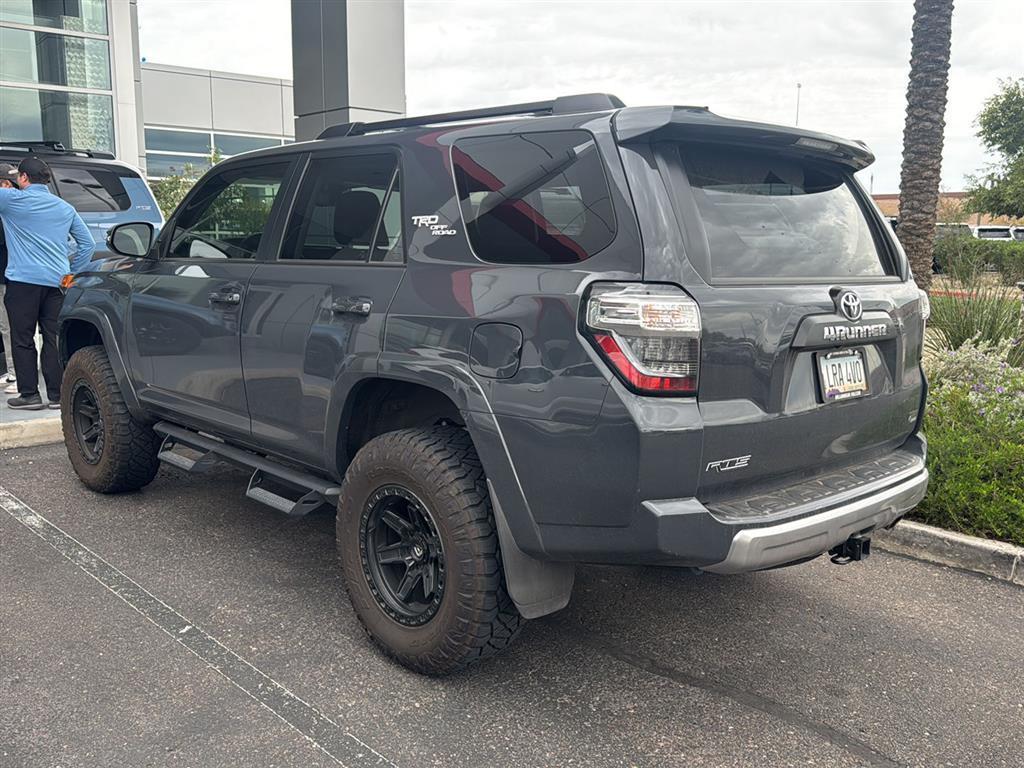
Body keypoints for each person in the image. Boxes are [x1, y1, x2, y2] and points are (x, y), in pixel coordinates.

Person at [0, 156, 95, 411]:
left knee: (23, 339)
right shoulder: (65, 207)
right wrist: (70, 274)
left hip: (23, 283)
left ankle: (30, 394)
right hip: (57, 283)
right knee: (52, 338)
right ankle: (56, 395)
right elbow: (88, 245)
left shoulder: (11, 200)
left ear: (23, 178)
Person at [0, 163, 17, 394]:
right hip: (12, 275)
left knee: (10, 326)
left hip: (8, 276)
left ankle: (15, 373)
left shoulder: (9, 210)